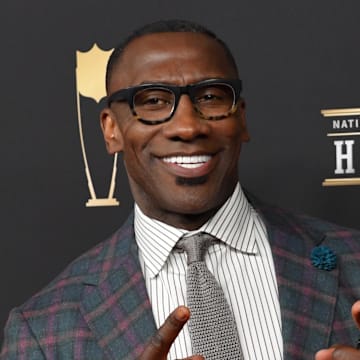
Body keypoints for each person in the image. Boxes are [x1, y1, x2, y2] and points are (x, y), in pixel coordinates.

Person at [1, 19, 360, 360]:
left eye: (211, 97)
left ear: (242, 118)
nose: (188, 126)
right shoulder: (45, 328)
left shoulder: (353, 262)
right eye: (153, 101)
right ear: (112, 130)